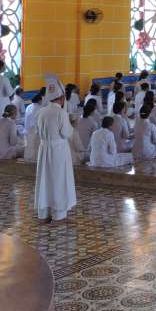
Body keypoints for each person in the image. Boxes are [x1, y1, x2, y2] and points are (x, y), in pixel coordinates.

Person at [33, 79, 77, 222]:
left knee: (45, 178)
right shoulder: (61, 113)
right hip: (58, 149)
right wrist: (72, 125)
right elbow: (66, 133)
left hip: (44, 148)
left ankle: (44, 212)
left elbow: (38, 131)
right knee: (58, 179)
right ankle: (59, 213)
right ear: (62, 98)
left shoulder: (41, 111)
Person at [71, 99, 100, 164]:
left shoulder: (78, 121)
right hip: (85, 152)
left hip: (75, 151)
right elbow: (95, 139)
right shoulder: (93, 123)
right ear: (92, 112)